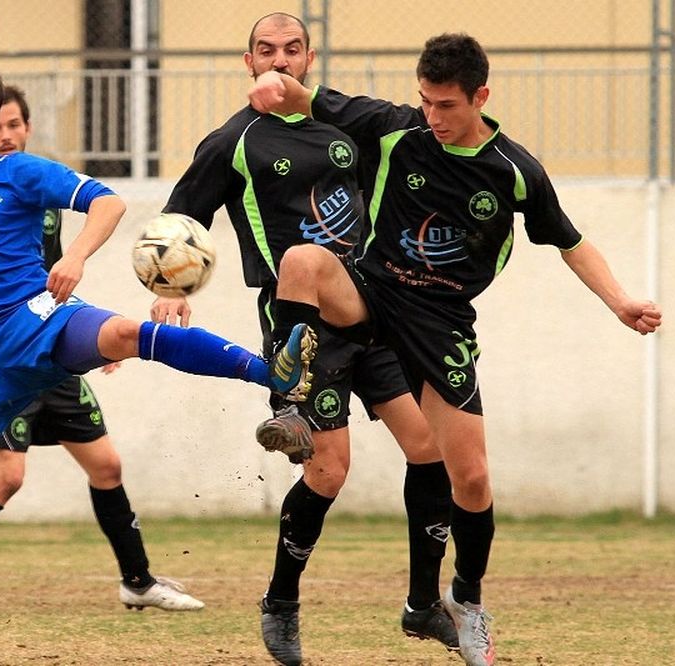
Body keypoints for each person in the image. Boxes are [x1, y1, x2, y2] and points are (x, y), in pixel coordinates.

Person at [0, 35, 298, 666]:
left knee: (126, 334)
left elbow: (109, 201)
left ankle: (274, 372)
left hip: (34, 322)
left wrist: (73, 256)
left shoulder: (18, 172)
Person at [248, 32, 663, 666]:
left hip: (439, 322)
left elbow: (570, 241)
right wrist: (276, 87)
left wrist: (620, 302)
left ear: (480, 98)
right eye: (426, 102)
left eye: (445, 106)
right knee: (302, 260)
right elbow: (307, 97)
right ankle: (293, 397)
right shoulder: (396, 130)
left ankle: (460, 599)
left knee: (467, 475)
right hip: (371, 288)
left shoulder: (515, 171)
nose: (433, 118)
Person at [157, 13, 456, 666]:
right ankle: (281, 601)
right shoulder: (233, 142)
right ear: (248, 62)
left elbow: (419, 135)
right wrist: (168, 288)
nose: (280, 60)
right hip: (300, 320)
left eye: (292, 50)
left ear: (309, 58)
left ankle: (422, 604)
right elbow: (182, 216)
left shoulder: (341, 121)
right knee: (329, 470)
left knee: (432, 448)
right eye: (267, 51)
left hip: (373, 310)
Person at [0, 85, 203, 616]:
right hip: (1, 358)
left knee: (107, 466)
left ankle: (137, 582)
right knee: (6, 476)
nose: (2, 134)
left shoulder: (36, 188)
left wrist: (91, 341)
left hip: (49, 347)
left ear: (25, 130)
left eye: (11, 126)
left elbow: (64, 268)